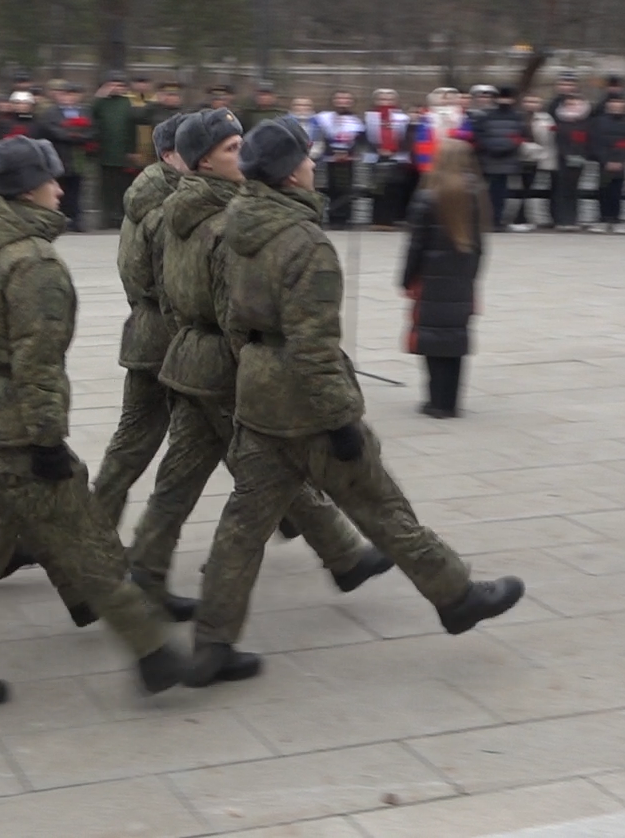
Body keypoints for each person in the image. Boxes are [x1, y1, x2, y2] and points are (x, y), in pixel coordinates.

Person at [184, 117, 524, 684]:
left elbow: (231, 320)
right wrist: (341, 419)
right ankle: (455, 595)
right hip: (307, 401)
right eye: (307, 158)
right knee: (379, 503)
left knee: (242, 524)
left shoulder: (233, 228)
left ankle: (212, 642)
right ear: (291, 173)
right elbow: (315, 347)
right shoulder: (304, 243)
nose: (314, 166)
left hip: (260, 393)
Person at [0, 136, 190, 714]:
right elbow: (38, 362)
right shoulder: (33, 263)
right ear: (26, 189)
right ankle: (153, 651)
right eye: (51, 179)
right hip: (20, 424)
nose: (60, 188)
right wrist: (47, 439)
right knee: (83, 542)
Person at [131, 110, 391, 618]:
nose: (242, 156)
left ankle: (146, 565)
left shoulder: (174, 212)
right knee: (272, 467)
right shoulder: (224, 222)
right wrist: (249, 362)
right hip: (225, 367)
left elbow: (163, 293)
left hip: (186, 359)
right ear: (204, 161)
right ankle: (341, 554)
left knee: (181, 477)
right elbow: (232, 311)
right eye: (231, 149)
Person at [91, 114, 188, 526]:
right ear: (169, 155)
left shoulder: (145, 196)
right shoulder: (169, 210)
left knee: (133, 441)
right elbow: (175, 286)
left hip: (147, 335)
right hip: (174, 339)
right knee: (235, 438)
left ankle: (92, 523)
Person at [404, 138, 487, 418]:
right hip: (462, 278)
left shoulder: (428, 196)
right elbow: (480, 244)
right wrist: (473, 277)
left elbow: (415, 244)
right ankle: (452, 402)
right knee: (455, 339)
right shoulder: (475, 194)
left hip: (430, 278)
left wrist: (406, 278)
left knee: (432, 339)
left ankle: (435, 401)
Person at [31, 81, 92, 230]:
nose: (69, 98)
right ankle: (59, 220)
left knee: (76, 190)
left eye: (72, 94)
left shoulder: (84, 111)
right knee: (59, 189)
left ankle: (76, 220)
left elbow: (92, 130)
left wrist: (79, 135)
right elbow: (52, 130)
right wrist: (74, 135)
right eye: (65, 94)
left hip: (78, 157)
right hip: (60, 155)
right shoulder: (51, 113)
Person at [469, 86, 524, 231]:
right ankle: (480, 220)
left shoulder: (517, 116)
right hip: (487, 158)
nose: (505, 101)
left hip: (505, 159)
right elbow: (479, 135)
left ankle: (497, 221)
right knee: (482, 192)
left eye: (508, 98)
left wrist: (507, 148)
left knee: (500, 193)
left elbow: (520, 136)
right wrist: (490, 147)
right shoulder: (485, 116)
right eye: (502, 97)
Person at [93, 71, 141, 228]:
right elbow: (91, 115)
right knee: (106, 189)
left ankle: (121, 218)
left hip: (123, 154)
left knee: (123, 188)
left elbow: (132, 127)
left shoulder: (127, 103)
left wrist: (133, 150)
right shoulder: (101, 103)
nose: (116, 87)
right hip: (105, 153)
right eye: (112, 84)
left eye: (120, 85)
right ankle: (106, 218)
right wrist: (100, 95)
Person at [311, 91, 366, 228]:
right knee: (329, 188)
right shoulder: (324, 118)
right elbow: (319, 137)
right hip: (327, 159)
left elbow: (360, 141)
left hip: (349, 160)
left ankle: (345, 218)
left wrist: (348, 153)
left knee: (346, 189)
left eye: (346, 99)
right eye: (339, 98)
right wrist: (330, 152)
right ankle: (331, 217)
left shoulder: (357, 121)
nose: (342, 101)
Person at [364, 88, 416, 229]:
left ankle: (392, 219)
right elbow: (364, 137)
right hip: (376, 156)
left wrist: (394, 150)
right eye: (382, 99)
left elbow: (408, 138)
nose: (385, 102)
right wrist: (378, 149)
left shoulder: (403, 118)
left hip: (397, 157)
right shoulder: (369, 117)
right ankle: (377, 220)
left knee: (394, 188)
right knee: (378, 189)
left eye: (389, 99)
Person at [590, 96, 625, 233]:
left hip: (621, 164)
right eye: (613, 105)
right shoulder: (598, 123)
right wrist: (605, 160)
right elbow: (595, 143)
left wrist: (621, 160)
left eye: (620, 105)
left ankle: (617, 219)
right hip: (604, 164)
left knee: (618, 192)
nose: (616, 108)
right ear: (608, 106)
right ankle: (603, 219)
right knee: (603, 191)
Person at [551, 96, 592, 231]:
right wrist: (566, 154)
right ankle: (561, 220)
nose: (573, 106)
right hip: (561, 159)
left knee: (573, 189)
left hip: (579, 160)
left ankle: (572, 219)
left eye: (576, 104)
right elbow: (555, 141)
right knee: (561, 189)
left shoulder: (586, 123)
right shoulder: (558, 123)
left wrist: (581, 154)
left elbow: (588, 142)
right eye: (569, 104)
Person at [523, 92, 557, 229]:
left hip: (543, 158)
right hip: (523, 158)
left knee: (543, 189)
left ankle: (544, 219)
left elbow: (549, 138)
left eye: (535, 102)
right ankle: (526, 218)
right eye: (529, 101)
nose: (531, 105)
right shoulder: (519, 117)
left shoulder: (547, 119)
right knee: (525, 190)